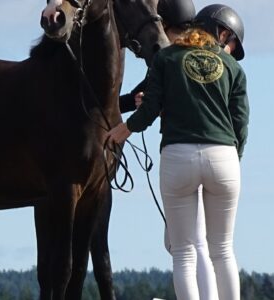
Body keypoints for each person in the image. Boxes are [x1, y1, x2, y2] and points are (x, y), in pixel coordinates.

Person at [106, 3, 248, 300]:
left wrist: (120, 132)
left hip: (178, 156)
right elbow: (241, 125)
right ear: (220, 34)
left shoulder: (167, 58)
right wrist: (234, 160)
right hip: (224, 157)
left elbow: (150, 108)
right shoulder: (233, 67)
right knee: (222, 250)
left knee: (183, 252)